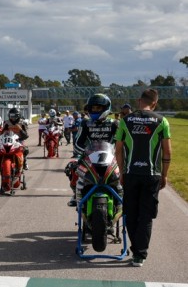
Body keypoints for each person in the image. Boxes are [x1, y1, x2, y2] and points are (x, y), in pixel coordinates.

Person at [115, 89, 171, 267]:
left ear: (139, 101)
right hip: (152, 174)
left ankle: (135, 249)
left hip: (131, 173)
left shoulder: (125, 121)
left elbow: (118, 150)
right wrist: (165, 175)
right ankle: (140, 255)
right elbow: (167, 151)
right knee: (146, 216)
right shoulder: (162, 121)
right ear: (154, 103)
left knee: (131, 213)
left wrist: (122, 172)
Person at [66, 94, 119, 207]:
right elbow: (78, 143)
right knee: (73, 168)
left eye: (98, 108)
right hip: (89, 157)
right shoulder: (85, 123)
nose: (95, 110)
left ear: (106, 108)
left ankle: (120, 200)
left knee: (121, 176)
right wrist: (85, 153)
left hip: (111, 158)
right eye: (93, 108)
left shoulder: (115, 124)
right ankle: (76, 195)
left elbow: (121, 143)